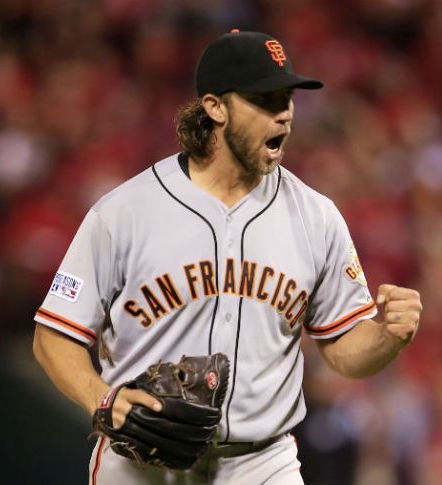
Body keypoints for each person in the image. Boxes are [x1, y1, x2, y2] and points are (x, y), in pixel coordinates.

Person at [32, 29, 422, 485]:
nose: (284, 115)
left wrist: (385, 339)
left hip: (262, 462)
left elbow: (341, 347)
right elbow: (53, 336)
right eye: (265, 100)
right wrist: (100, 397)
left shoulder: (316, 216)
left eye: (288, 99)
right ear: (215, 107)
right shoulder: (124, 213)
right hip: (142, 460)